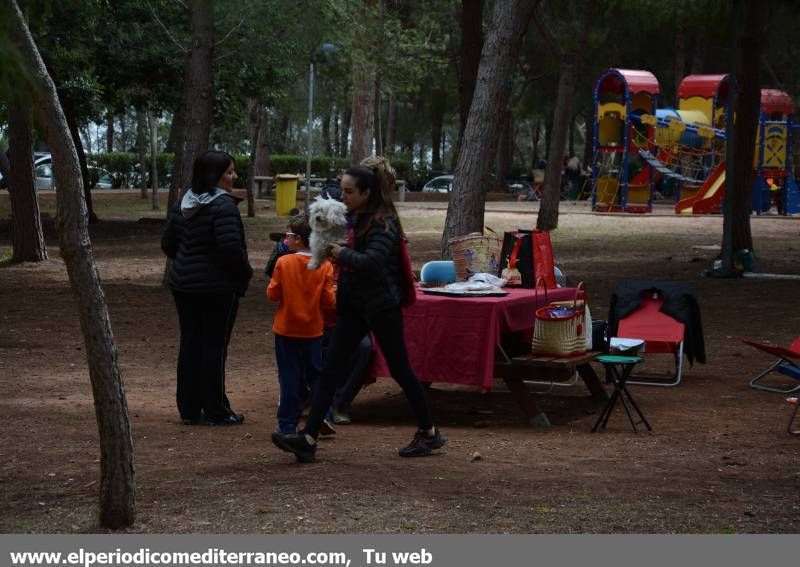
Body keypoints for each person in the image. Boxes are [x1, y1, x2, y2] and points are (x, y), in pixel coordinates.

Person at [271, 156, 446, 462]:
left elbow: (372, 262)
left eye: (349, 191)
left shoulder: (383, 221)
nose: (343, 196)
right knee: (330, 369)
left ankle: (429, 433)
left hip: (381, 308)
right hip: (354, 306)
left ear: (367, 193)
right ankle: (308, 439)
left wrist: (340, 253)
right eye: (342, 190)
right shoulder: (353, 217)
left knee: (402, 371)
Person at [161, 150, 253, 426]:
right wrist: (245, 275)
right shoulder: (223, 206)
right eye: (229, 172)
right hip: (217, 289)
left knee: (191, 343)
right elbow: (231, 251)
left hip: (183, 286)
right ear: (214, 175)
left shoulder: (184, 202)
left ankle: (189, 409)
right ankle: (216, 410)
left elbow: (168, 244)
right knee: (214, 346)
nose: (234, 176)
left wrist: (186, 263)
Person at [267, 214, 337, 435]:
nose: (285, 240)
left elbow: (272, 294)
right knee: (315, 374)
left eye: (288, 235)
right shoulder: (325, 265)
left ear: (297, 238)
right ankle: (321, 416)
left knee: (289, 375)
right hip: (313, 330)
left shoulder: (283, 262)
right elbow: (329, 302)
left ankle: (287, 423)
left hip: (286, 328)